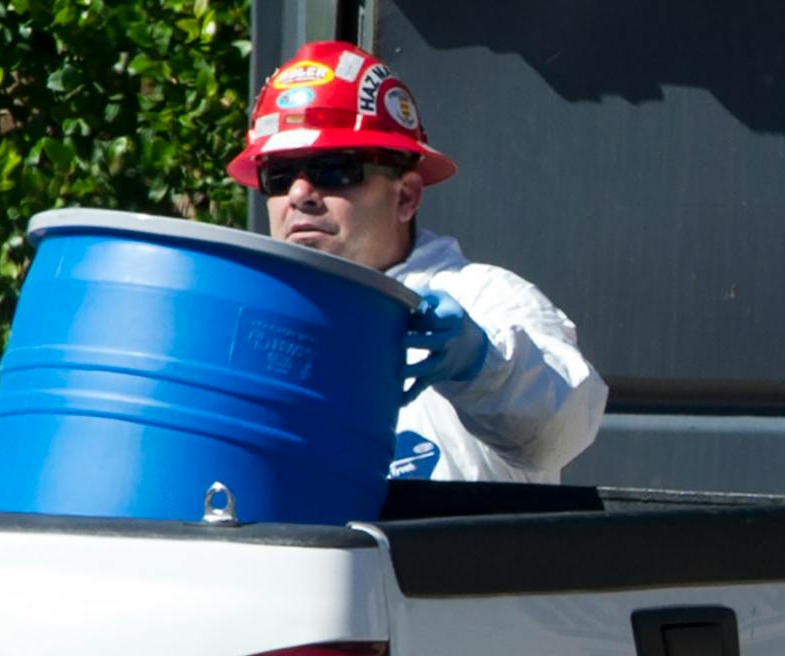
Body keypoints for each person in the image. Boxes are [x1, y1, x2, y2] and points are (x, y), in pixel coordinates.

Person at [228, 41, 607, 484]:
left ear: (405, 196)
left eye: (333, 169)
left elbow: (564, 433)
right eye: (279, 175)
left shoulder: (486, 299)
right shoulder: (244, 322)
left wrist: (481, 367)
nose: (298, 194)